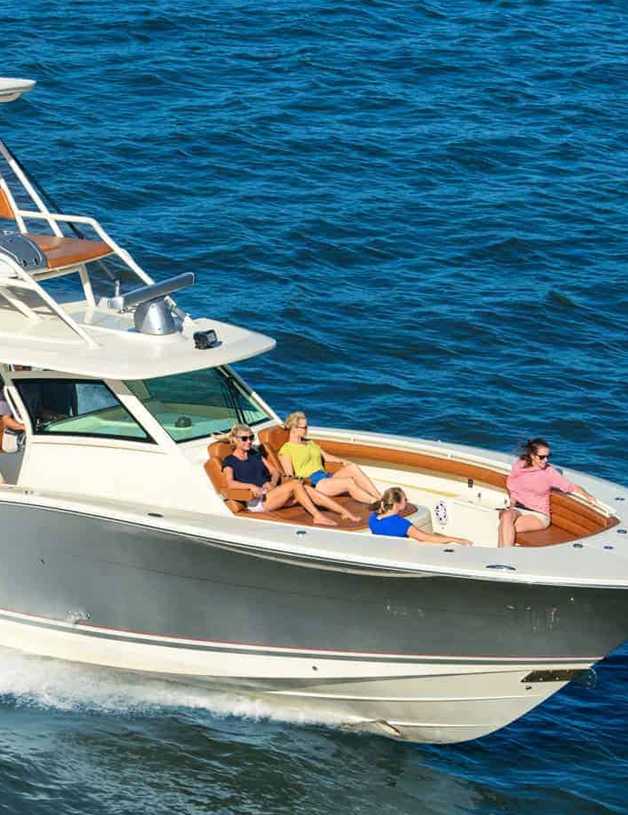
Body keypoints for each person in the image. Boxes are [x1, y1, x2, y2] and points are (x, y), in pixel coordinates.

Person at [222, 423, 360, 526]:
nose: (249, 442)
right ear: (235, 440)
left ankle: (344, 512)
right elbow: (230, 482)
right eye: (244, 439)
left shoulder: (255, 454)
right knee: (295, 484)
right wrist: (251, 486)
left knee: (306, 489)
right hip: (256, 501)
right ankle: (317, 516)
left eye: (251, 438)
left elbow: (275, 471)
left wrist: (272, 482)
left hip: (271, 493)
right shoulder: (230, 461)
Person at [498, 437, 596, 548]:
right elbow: (512, 483)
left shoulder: (550, 473)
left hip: (538, 514)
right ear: (532, 456)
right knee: (506, 517)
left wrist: (587, 495)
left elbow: (570, 487)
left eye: (548, 457)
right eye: (542, 457)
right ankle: (503, 557)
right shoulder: (520, 465)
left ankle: (502, 556)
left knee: (505, 526)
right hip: (519, 508)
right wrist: (512, 503)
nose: (546, 460)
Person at [279, 411, 381, 504]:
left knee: (352, 467)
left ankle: (379, 497)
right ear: (294, 428)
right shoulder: (287, 449)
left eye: (307, 426)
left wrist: (343, 461)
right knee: (349, 482)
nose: (307, 429)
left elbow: (327, 457)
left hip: (326, 476)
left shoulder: (309, 442)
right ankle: (376, 503)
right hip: (314, 483)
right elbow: (290, 476)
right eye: (304, 427)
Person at [369, 487, 472, 545]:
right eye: (405, 499)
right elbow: (426, 538)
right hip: (400, 554)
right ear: (396, 504)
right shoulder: (401, 524)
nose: (407, 501)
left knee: (437, 535)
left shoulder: (373, 519)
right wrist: (456, 540)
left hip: (388, 549)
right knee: (439, 537)